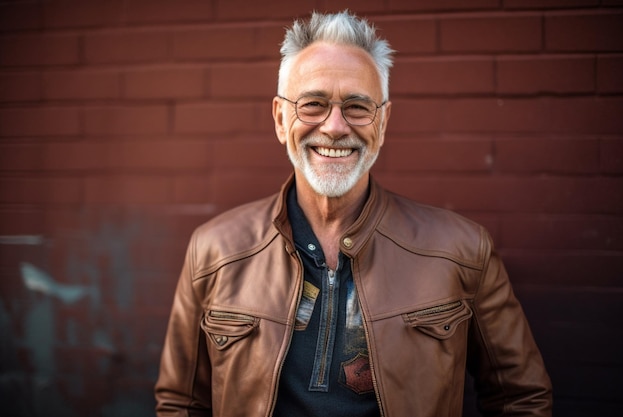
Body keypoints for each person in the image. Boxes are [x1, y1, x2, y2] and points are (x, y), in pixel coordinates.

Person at [155, 10, 552, 417]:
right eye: (313, 104)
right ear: (279, 118)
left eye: (358, 107)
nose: (334, 127)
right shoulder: (214, 251)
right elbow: (182, 404)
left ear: (382, 122)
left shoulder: (462, 251)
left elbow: (520, 399)